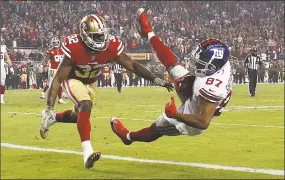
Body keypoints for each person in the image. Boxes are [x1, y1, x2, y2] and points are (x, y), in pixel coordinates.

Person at [39, 14, 173, 169]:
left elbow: (132, 65)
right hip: (73, 79)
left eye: (102, 35)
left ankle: (53, 118)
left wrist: (155, 78)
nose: (100, 40)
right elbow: (57, 79)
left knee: (79, 116)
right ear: (85, 35)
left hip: (92, 82)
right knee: (86, 105)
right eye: (96, 36)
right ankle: (87, 151)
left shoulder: (111, 45)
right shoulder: (74, 45)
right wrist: (49, 106)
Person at [110, 8, 233, 145]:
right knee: (173, 66)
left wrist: (176, 114)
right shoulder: (222, 62)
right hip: (198, 92)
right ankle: (149, 32)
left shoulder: (212, 87)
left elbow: (203, 122)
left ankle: (128, 137)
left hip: (194, 115)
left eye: (201, 64)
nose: (195, 65)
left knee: (157, 128)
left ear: (212, 68)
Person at [40, 37, 66, 104]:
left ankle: (60, 99)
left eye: (57, 42)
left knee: (60, 84)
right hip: (52, 70)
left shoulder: (62, 50)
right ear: (52, 43)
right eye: (54, 43)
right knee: (50, 83)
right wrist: (44, 66)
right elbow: (45, 61)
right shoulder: (50, 51)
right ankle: (43, 93)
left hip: (60, 69)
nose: (56, 43)